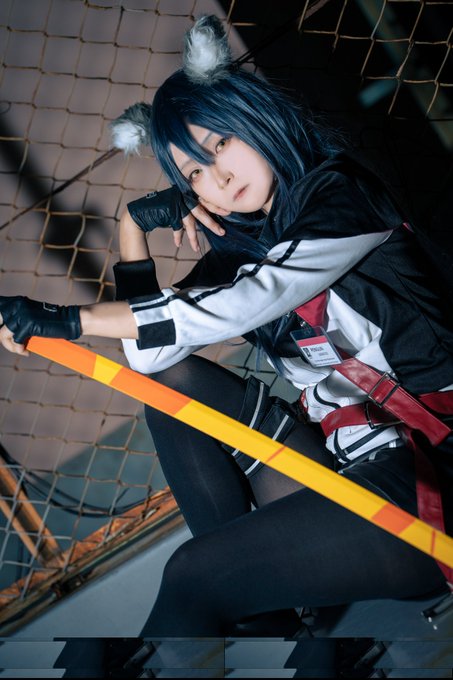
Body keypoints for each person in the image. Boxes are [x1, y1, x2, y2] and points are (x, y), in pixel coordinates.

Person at [0, 15, 452, 642]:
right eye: (193, 173)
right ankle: (263, 623)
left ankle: (246, 618)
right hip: (348, 466)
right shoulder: (241, 252)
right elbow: (151, 360)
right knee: (166, 388)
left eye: (220, 144)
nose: (217, 178)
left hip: (432, 475)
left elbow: (250, 301)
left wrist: (70, 320)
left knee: (193, 576)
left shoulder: (341, 195)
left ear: (255, 118)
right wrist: (132, 232)